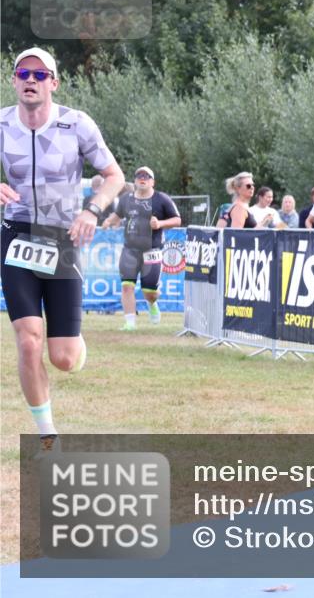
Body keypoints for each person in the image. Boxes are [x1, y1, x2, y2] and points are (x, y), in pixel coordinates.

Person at [1, 47, 125, 453]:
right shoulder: (2, 123)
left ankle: (72, 339)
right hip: (16, 234)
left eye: (40, 74)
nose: (31, 80)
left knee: (64, 358)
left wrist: (92, 210)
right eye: (24, 73)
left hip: (62, 236)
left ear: (54, 82)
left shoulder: (77, 125)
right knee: (28, 338)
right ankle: (47, 432)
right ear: (15, 80)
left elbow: (113, 175)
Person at [102, 166, 181, 330]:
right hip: (130, 250)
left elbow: (177, 220)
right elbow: (117, 215)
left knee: (149, 292)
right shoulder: (126, 199)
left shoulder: (162, 199)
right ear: (135, 180)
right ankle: (130, 324)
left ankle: (152, 304)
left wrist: (160, 223)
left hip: (152, 250)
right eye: (139, 176)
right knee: (127, 286)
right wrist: (109, 221)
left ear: (153, 181)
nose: (142, 178)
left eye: (147, 176)